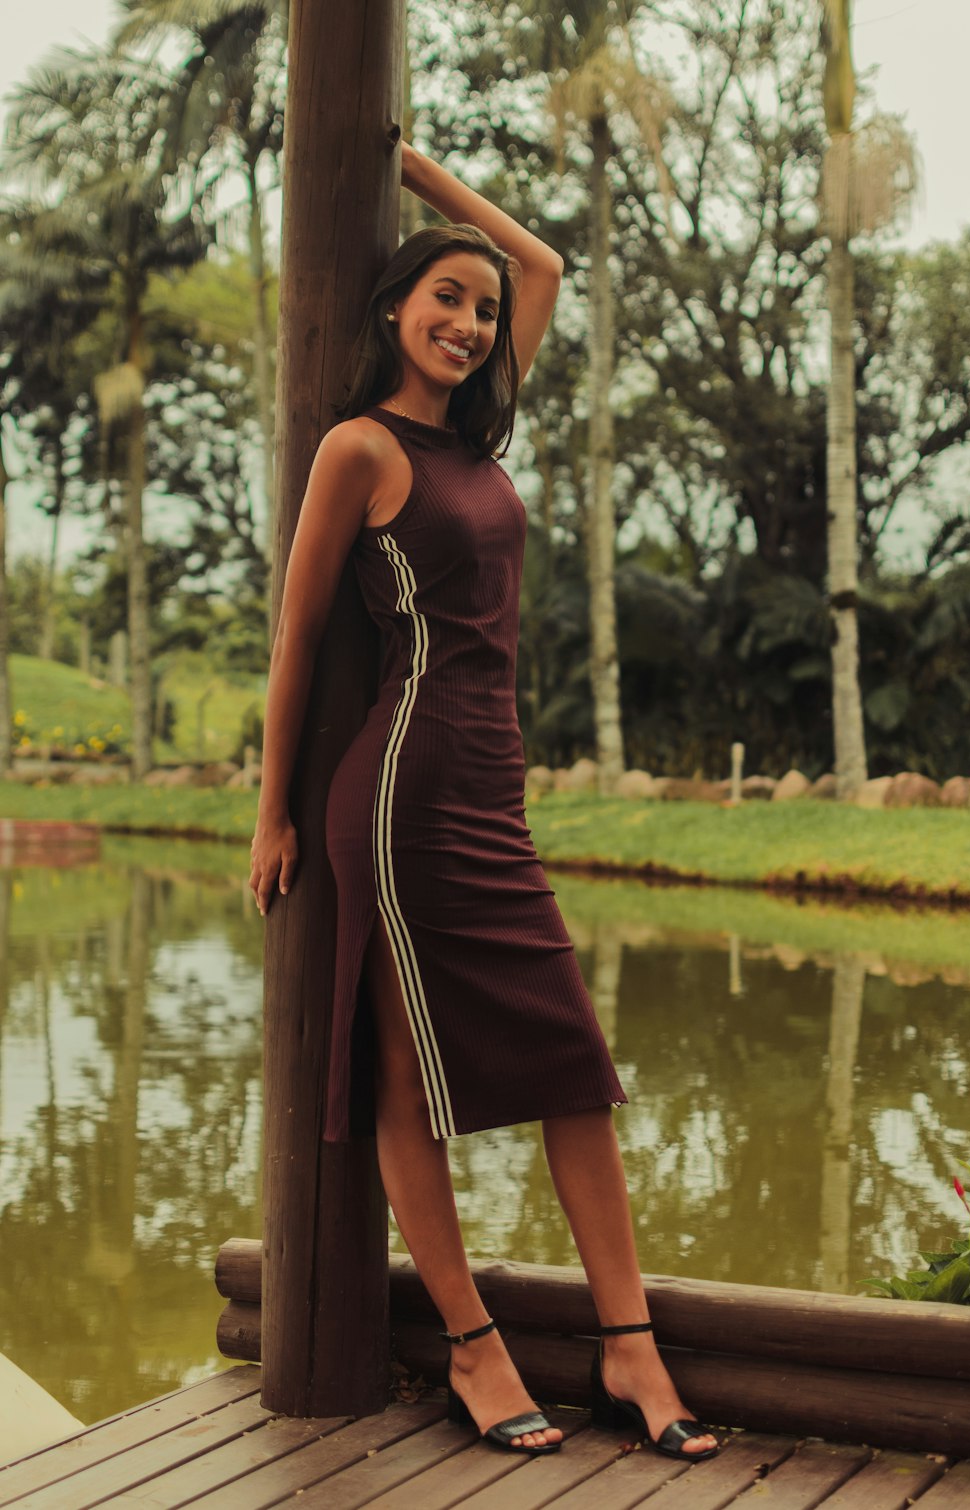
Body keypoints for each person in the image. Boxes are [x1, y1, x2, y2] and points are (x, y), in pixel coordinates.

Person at [249, 140, 719, 1463]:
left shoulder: (473, 433)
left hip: (486, 787)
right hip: (395, 790)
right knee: (404, 1067)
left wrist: (416, 164)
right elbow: (295, 641)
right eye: (443, 298)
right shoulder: (360, 447)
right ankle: (471, 1343)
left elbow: (545, 263)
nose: (468, 321)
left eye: (477, 309)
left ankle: (628, 1342)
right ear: (395, 308)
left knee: (572, 1058)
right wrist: (271, 809)